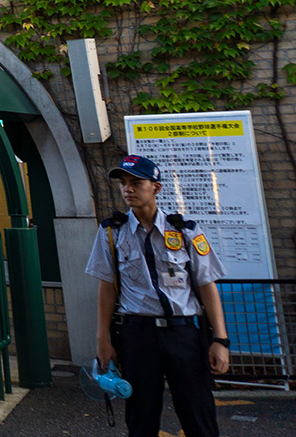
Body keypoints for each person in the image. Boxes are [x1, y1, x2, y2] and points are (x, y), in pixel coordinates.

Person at [87, 155, 229, 437]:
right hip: (137, 335)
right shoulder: (111, 233)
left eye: (136, 183)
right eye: (123, 183)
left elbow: (206, 285)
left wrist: (221, 340)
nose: (128, 189)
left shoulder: (184, 230)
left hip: (183, 334)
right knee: (141, 416)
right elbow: (107, 288)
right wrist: (102, 340)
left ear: (156, 188)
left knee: (198, 412)